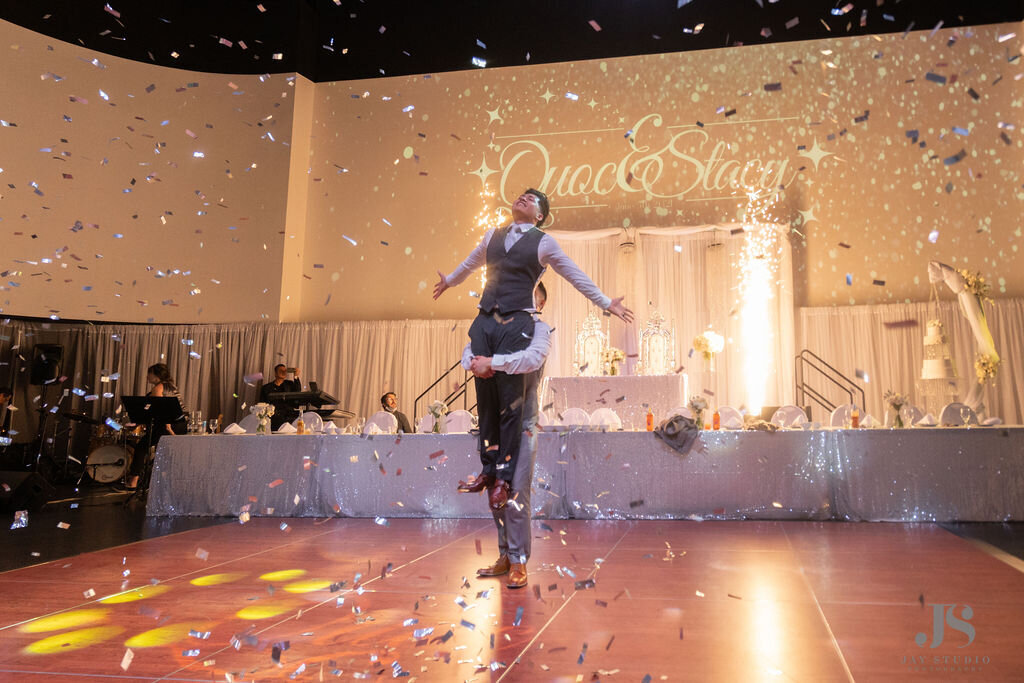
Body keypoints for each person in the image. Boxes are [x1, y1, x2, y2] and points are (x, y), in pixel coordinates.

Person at [434, 188, 633, 511]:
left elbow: (574, 275)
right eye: (520, 196)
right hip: (485, 319)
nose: (522, 199)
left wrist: (606, 302)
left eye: (531, 199)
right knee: (484, 405)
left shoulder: (544, 241)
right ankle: (487, 468)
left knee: (510, 408)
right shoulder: (492, 236)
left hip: (516, 322)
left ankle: (504, 477)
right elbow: (468, 264)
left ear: (540, 215)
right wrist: (450, 282)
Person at [462, 283, 550, 589]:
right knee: (494, 494)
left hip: (523, 424)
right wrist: (475, 364)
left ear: (539, 304)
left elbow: (530, 360)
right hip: (494, 425)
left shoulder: (540, 330)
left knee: (514, 494)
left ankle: (519, 560)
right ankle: (504, 555)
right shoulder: (496, 326)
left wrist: (492, 363)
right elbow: (466, 354)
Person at [126, 364, 186, 490]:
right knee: (164, 452)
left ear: (157, 375)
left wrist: (168, 428)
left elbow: (160, 409)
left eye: (149, 373)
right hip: (180, 424)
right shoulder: (172, 386)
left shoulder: (158, 388)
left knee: (142, 446)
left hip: (168, 424)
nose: (147, 376)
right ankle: (162, 483)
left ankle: (134, 482)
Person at [259, 364, 302, 431]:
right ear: (275, 373)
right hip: (274, 417)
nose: (283, 372)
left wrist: (295, 376)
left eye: (285, 371)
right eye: (280, 370)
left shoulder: (290, 384)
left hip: (288, 416)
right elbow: (262, 403)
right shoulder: (266, 388)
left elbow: (298, 391)